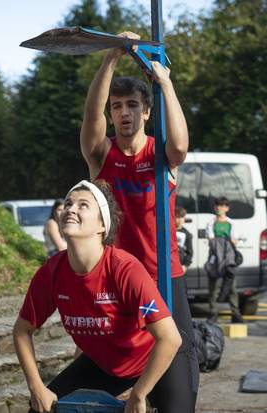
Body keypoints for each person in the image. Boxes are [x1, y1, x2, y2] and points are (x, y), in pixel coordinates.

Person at [79, 30, 199, 405]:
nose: (124, 113)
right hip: (117, 281)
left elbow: (180, 145)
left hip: (163, 276)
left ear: (146, 111)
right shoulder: (103, 155)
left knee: (178, 394)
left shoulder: (161, 155)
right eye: (118, 107)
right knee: (109, 371)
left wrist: (164, 82)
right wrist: (111, 57)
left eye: (132, 105)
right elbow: (90, 116)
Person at [14, 180, 191, 413]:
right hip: (107, 365)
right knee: (40, 408)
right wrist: (36, 387)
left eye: (83, 205)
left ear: (102, 226)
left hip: (159, 358)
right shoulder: (52, 272)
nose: (70, 209)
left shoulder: (124, 269)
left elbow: (170, 339)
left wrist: (139, 393)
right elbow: (21, 331)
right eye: (68, 203)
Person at [204, 197, 243, 324]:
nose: (219, 208)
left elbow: (234, 240)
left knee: (232, 287)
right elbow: (211, 240)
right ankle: (213, 313)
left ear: (227, 208)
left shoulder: (231, 223)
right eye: (217, 205)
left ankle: (235, 314)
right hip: (215, 256)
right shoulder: (210, 223)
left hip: (228, 258)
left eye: (222, 206)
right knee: (213, 287)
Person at [174, 207, 193, 271]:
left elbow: (190, 252)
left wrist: (185, 265)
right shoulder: (168, 231)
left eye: (182, 217)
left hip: (180, 264)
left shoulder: (187, 234)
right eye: (177, 217)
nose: (179, 220)